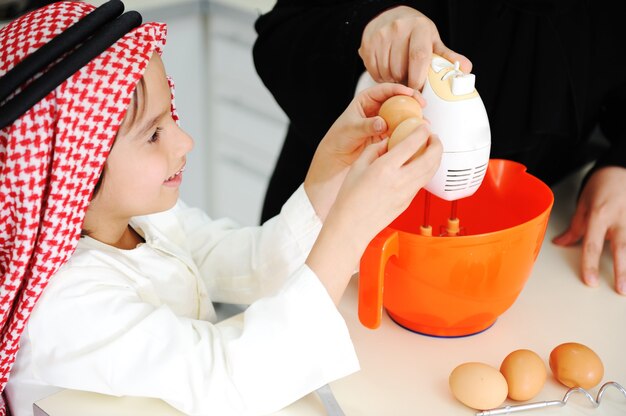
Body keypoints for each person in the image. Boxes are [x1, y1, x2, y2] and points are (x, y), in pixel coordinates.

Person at [0, 2, 442, 415]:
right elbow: (231, 378)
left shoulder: (141, 218)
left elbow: (254, 265)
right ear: (75, 169)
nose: (184, 142)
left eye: (170, 116)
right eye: (153, 134)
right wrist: (349, 231)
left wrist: (330, 170)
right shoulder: (66, 305)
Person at [253, 0, 626, 294]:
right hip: (331, 233)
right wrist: (366, 20)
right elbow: (278, 35)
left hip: (536, 247)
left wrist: (621, 161)